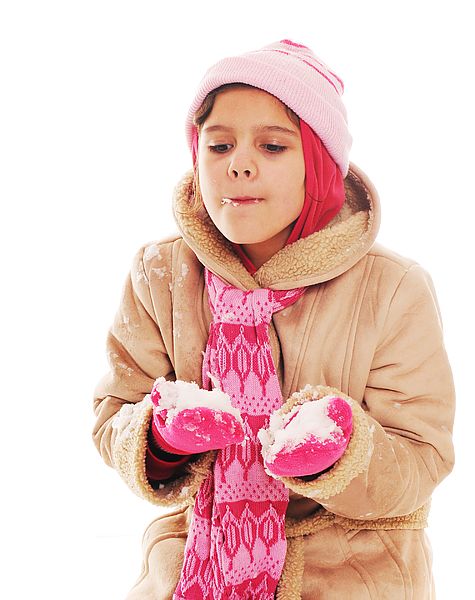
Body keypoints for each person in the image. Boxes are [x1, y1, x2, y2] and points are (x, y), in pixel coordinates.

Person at [92, 39, 455, 600]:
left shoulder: (392, 289)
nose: (239, 163)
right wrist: (159, 441)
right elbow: (114, 413)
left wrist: (341, 449)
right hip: (195, 568)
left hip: (352, 574)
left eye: (273, 146)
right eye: (219, 145)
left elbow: (421, 458)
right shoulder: (161, 273)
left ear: (319, 163)